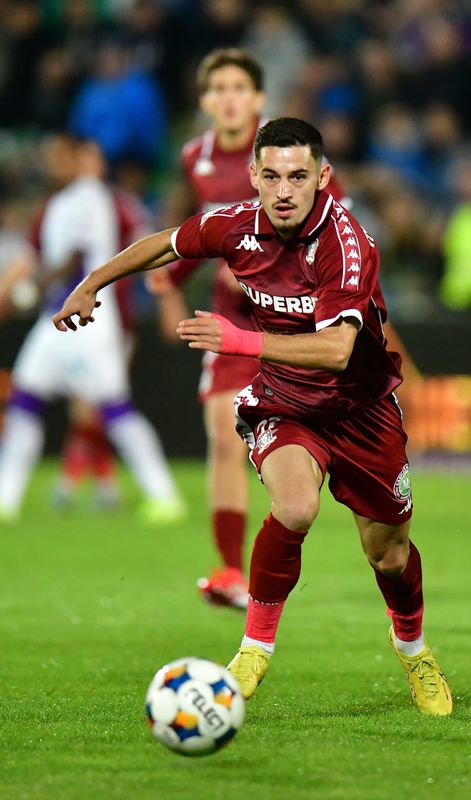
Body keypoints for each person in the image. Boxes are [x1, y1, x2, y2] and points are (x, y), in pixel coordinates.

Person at [52, 118, 452, 716]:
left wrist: (238, 341)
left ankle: (414, 651)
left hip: (362, 411)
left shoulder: (346, 244)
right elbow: (166, 242)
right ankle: (254, 649)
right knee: (294, 507)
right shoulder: (236, 225)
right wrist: (92, 283)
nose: (284, 190)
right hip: (286, 402)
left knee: (390, 555)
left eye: (297, 176)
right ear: (254, 177)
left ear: (322, 177)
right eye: (271, 176)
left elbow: (338, 350)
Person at [0, 133, 184, 526]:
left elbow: (75, 259)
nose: (51, 163)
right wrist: (7, 291)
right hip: (55, 319)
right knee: (24, 397)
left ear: (78, 160)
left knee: (113, 408)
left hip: (90, 318)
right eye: (49, 157)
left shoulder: (90, 196)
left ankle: (165, 497)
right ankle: (2, 499)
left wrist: (26, 291)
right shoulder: (56, 202)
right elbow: (36, 255)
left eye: (59, 156)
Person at [145, 48, 270, 609]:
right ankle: (229, 572)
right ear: (203, 100)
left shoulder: (286, 149)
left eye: (239, 87)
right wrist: (168, 284)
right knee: (224, 433)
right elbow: (196, 233)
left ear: (258, 98)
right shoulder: (194, 156)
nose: (228, 97)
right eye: (217, 87)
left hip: (298, 319)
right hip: (232, 320)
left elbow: (335, 224)